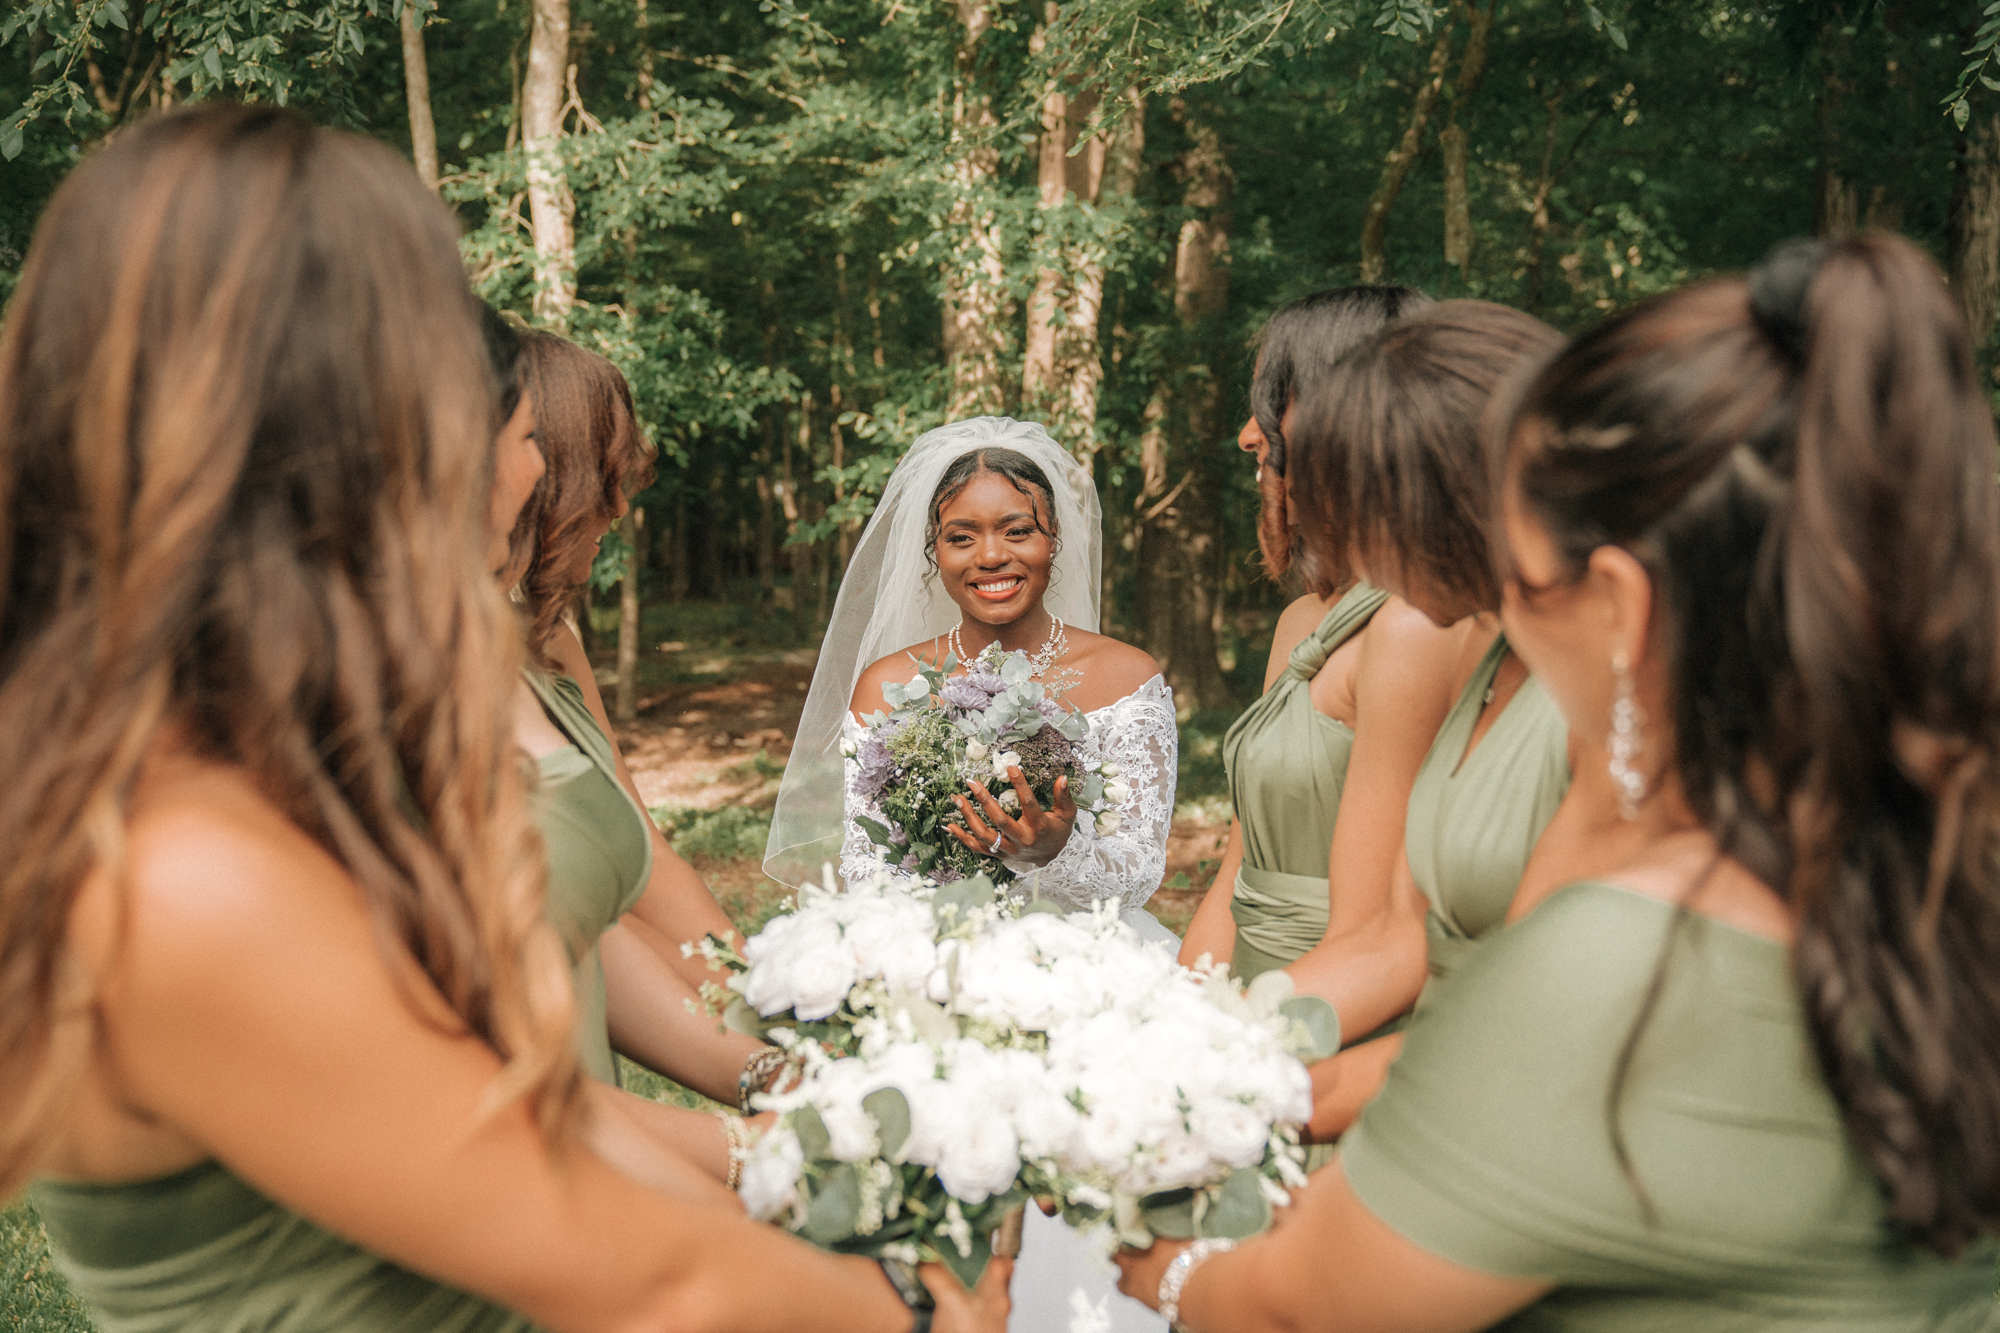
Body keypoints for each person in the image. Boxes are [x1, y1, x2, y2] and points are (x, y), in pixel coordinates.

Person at [4, 103, 1004, 1333]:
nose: (529, 463)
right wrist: (920, 1310)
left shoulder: (278, 772)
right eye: (476, 389)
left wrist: (827, 1154)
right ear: (364, 429)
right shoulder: (183, 873)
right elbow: (646, 1280)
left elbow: (552, 1116)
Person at [1108, 234, 2000, 1331]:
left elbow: (1288, 1308)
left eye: (1522, 581)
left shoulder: (1627, 967)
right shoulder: (1917, 860)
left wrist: (1140, 1240)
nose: (1491, 612)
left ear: (1624, 607)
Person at [768, 415, 1173, 1333]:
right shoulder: (886, 686)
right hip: (934, 983)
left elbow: (1139, 873)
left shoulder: (1125, 678)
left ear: (1054, 540)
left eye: (1016, 528)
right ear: (933, 552)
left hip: (1087, 986)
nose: (992, 554)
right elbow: (870, 874)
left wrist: (1047, 849)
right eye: (964, 534)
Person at [1277, 302, 1580, 1140]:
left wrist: (1278, 1100)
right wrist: (1195, 1048)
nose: (1362, 558)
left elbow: (1548, 1015)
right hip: (1441, 1082)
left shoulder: (1608, 693)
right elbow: (1392, 936)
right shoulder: (1482, 650)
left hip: (1519, 1112)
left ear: (1451, 499)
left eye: (1367, 514)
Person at [496, 326, 780, 1164]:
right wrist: (758, 1144)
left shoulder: (555, 641)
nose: (619, 511)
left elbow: (636, 868)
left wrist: (772, 1017)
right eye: (604, 480)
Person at [1177, 288, 1453, 1064]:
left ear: (1355, 413)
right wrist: (1162, 1030)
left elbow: (1375, 935)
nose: (1246, 438)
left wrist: (1215, 1065)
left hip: (1325, 1037)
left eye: (1272, 405)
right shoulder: (1303, 623)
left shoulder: (1419, 631)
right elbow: (1237, 874)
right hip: (1236, 1018)